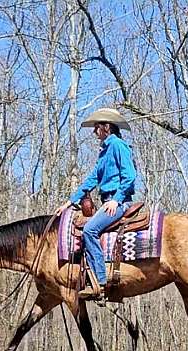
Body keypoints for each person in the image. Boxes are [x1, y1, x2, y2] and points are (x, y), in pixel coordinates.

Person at [57, 107, 136, 302]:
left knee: (89, 230)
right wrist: (69, 202)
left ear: (106, 127)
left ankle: (100, 282)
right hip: (108, 201)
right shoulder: (104, 151)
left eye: (96, 127)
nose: (94, 132)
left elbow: (130, 176)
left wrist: (117, 199)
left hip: (118, 202)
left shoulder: (118, 145)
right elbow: (92, 179)